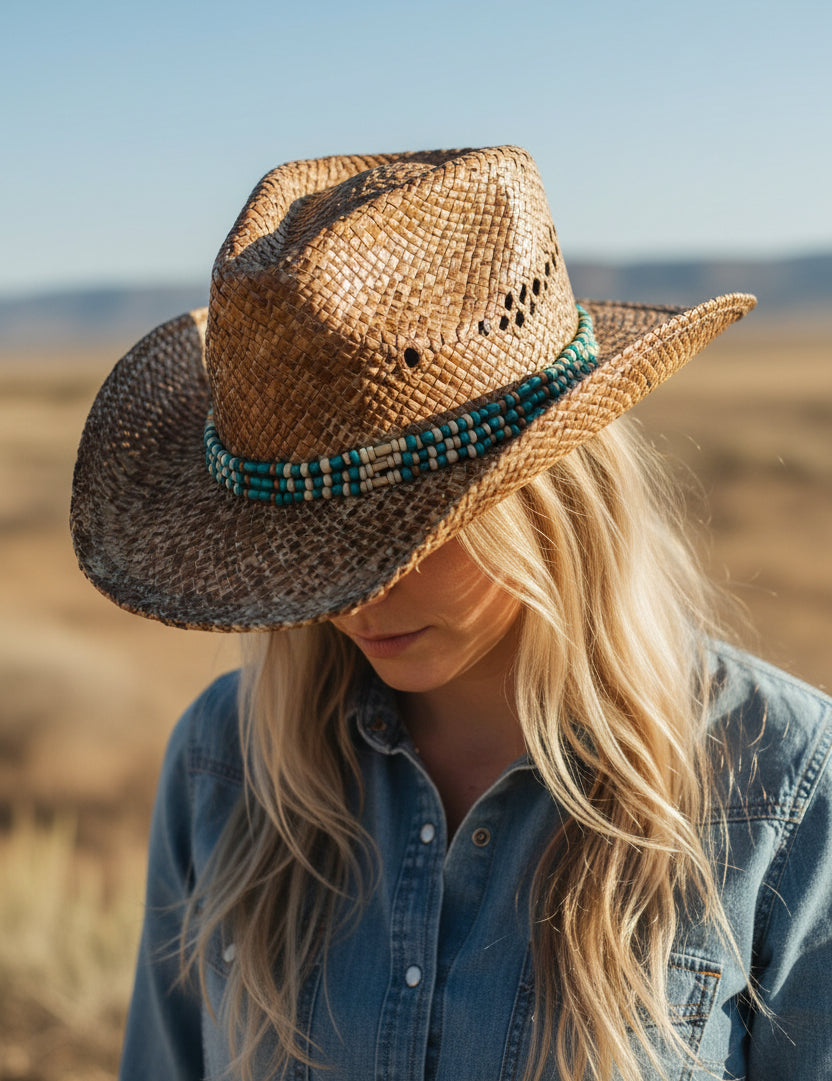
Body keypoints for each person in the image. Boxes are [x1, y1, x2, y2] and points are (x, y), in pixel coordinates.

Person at [71, 146, 832, 1081]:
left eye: (405, 536)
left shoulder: (783, 784)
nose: (353, 597)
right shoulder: (224, 762)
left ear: (547, 492)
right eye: (307, 548)